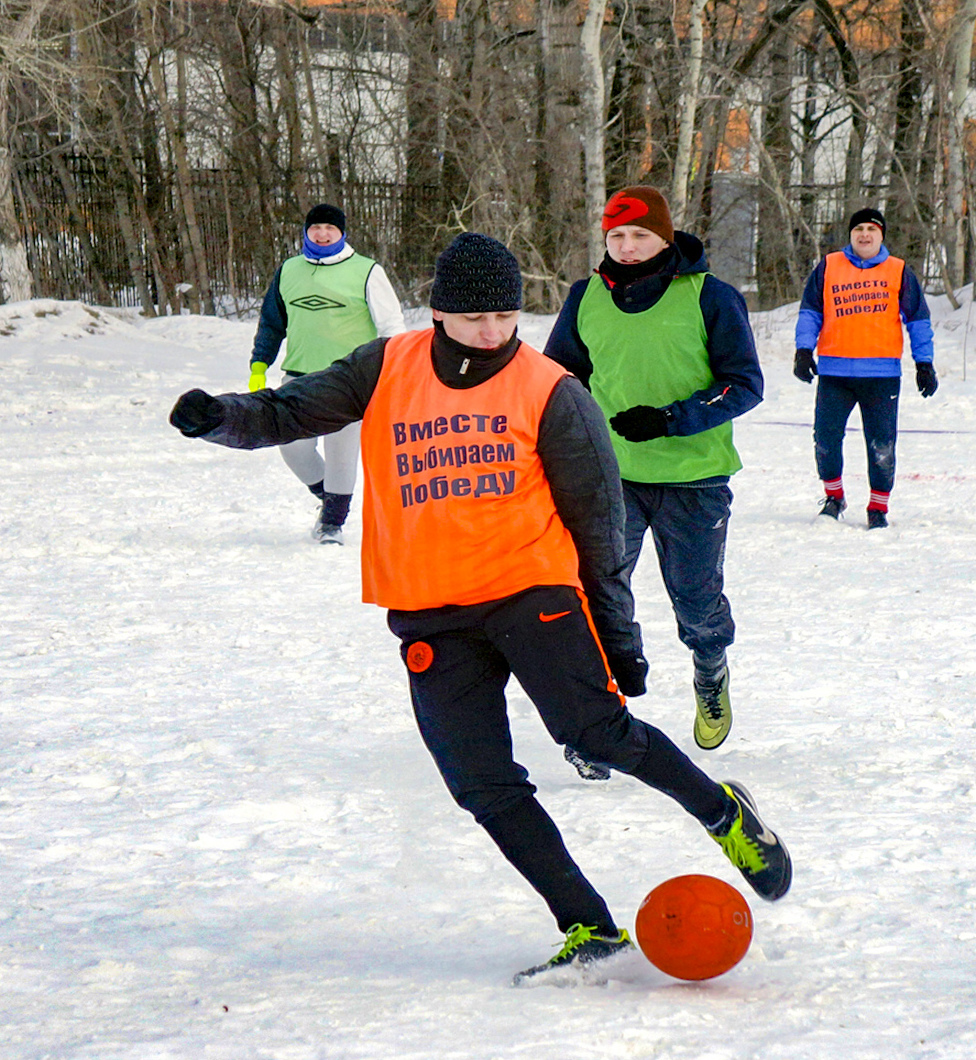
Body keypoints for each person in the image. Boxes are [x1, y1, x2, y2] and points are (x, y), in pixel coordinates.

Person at [168, 233, 791, 982]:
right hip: (429, 607)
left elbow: (599, 527)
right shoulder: (386, 366)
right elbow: (292, 410)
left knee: (597, 735)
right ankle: (587, 926)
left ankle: (724, 813)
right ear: (438, 313)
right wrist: (219, 417)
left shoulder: (552, 389)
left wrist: (618, 638)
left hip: (531, 589)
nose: (493, 332)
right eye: (474, 319)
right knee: (480, 781)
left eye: (505, 315)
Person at [543, 186, 762, 755]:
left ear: (665, 237)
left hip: (696, 477)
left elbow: (745, 384)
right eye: (617, 236)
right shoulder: (584, 297)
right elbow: (555, 383)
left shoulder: (710, 296)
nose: (628, 246)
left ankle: (710, 669)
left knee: (695, 597)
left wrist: (671, 419)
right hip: (609, 477)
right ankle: (594, 717)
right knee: (597, 597)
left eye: (640, 235)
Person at [249, 203, 406, 544]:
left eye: (329, 228)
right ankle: (331, 500)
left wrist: (391, 371)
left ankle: (332, 523)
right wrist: (259, 365)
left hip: (350, 380)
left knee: (341, 452)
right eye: (315, 228)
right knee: (291, 447)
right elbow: (272, 324)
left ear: (342, 232)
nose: (322, 234)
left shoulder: (367, 271)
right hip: (298, 377)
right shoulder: (289, 270)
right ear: (306, 231)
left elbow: (392, 328)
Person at [793, 208, 937, 529]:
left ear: (881, 234)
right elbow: (810, 312)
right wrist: (803, 349)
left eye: (872, 228)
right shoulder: (829, 266)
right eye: (858, 228)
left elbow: (918, 320)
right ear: (850, 234)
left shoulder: (898, 270)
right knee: (825, 440)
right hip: (835, 373)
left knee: (881, 444)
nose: (865, 234)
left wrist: (924, 363)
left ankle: (878, 507)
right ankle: (834, 497)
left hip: (881, 375)